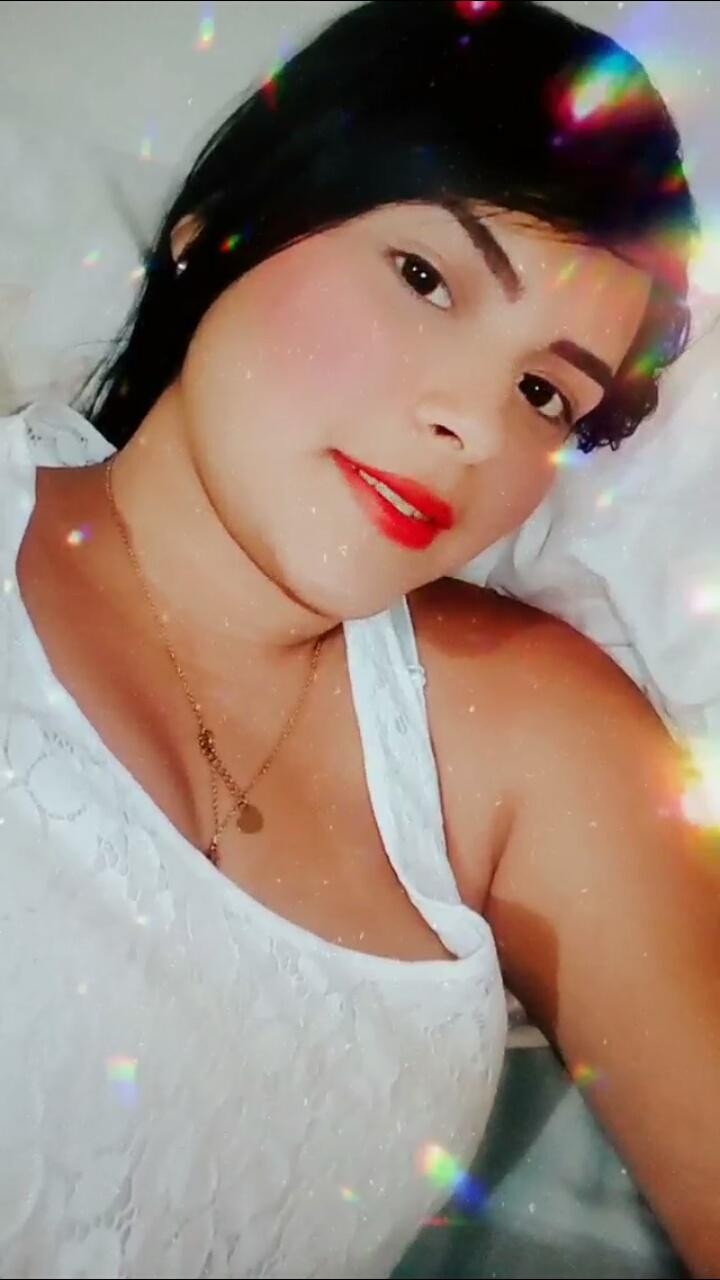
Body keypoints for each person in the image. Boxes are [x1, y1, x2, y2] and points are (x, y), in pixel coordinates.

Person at [0, 2, 717, 1277]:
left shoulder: (523, 735)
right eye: (426, 279)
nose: (474, 425)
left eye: (544, 392)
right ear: (219, 229)